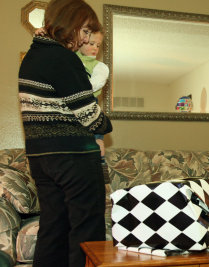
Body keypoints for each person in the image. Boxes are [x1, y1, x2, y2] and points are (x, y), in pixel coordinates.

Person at [18, 0, 112, 266]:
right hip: (73, 155)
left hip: (41, 157)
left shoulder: (33, 56)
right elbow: (90, 116)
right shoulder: (62, 58)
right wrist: (107, 125)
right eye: (83, 31)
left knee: (54, 227)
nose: (85, 40)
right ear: (69, 24)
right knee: (87, 230)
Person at [76, 30, 109, 162]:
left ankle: (100, 165)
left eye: (98, 45)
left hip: (90, 103)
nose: (95, 48)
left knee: (96, 139)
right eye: (91, 43)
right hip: (73, 106)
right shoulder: (70, 57)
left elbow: (93, 85)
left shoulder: (99, 67)